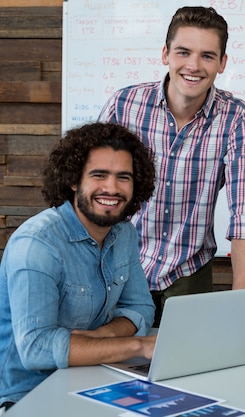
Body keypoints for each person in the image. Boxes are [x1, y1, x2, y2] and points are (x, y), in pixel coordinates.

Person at [98, 6, 245, 326]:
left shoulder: (237, 117)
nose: (193, 65)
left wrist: (241, 301)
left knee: (187, 370)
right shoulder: (125, 104)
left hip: (189, 271)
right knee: (114, 364)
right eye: (183, 52)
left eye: (207, 56)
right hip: (120, 265)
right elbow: (91, 187)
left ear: (222, 63)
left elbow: (244, 209)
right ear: (165, 54)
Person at [0, 122, 157, 412]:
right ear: (74, 180)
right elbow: (36, 349)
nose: (111, 188)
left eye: (123, 177)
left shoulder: (124, 233)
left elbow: (140, 308)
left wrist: (98, 338)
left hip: (95, 378)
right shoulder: (37, 245)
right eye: (99, 175)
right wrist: (139, 346)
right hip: (28, 396)